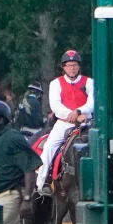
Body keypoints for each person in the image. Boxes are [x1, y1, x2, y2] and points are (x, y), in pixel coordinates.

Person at [35, 50, 94, 197]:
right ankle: (42, 183)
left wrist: (79, 111)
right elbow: (55, 106)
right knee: (49, 147)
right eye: (69, 65)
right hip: (65, 122)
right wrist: (72, 115)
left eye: (74, 65)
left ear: (79, 66)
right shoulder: (56, 83)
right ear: (64, 67)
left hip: (86, 121)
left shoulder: (89, 82)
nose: (72, 68)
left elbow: (92, 101)